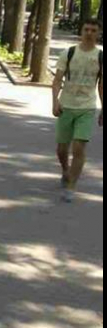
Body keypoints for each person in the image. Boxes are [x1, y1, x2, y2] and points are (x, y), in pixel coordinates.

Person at [53, 18, 104, 203]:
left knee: (79, 146)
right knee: (61, 149)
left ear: (98, 33)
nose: (89, 33)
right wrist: (55, 102)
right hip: (66, 105)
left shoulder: (100, 56)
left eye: (93, 30)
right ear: (81, 32)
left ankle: (71, 186)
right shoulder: (69, 52)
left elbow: (102, 86)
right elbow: (58, 79)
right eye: (86, 29)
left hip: (87, 107)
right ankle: (66, 171)